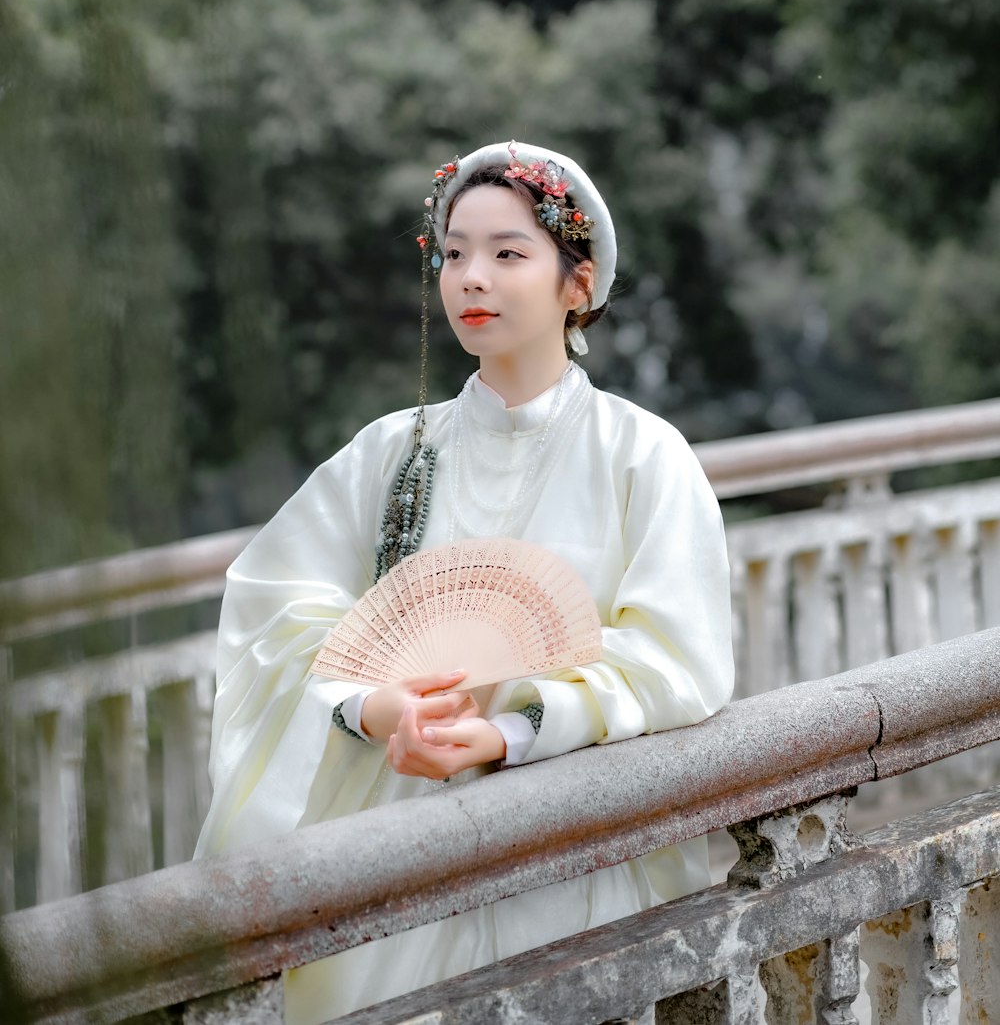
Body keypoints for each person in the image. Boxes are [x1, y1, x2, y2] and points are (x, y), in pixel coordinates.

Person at [194, 140, 734, 1025]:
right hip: (392, 845)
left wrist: (513, 727)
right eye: (453, 254)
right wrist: (375, 708)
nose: (470, 277)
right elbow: (276, 608)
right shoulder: (389, 453)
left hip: (564, 847)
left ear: (577, 283)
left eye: (508, 253)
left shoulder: (644, 456)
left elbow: (674, 658)